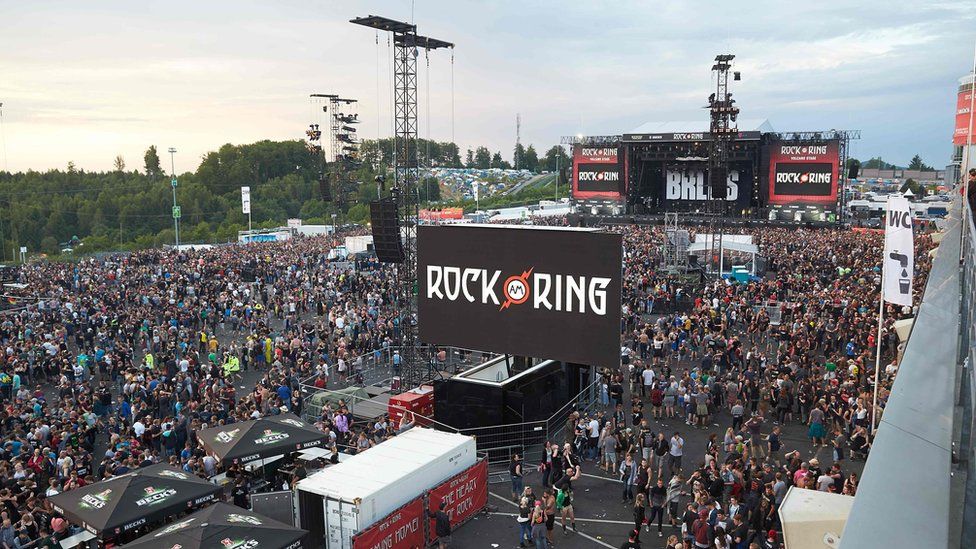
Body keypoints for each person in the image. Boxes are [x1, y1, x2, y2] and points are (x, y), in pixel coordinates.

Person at [555, 466, 580, 534]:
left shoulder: (567, 491)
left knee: (572, 516)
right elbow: (558, 501)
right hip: (564, 507)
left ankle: (574, 527)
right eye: (571, 471)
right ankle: (564, 529)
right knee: (564, 518)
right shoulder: (561, 494)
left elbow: (577, 475)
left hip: (568, 505)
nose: (573, 472)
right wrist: (560, 507)